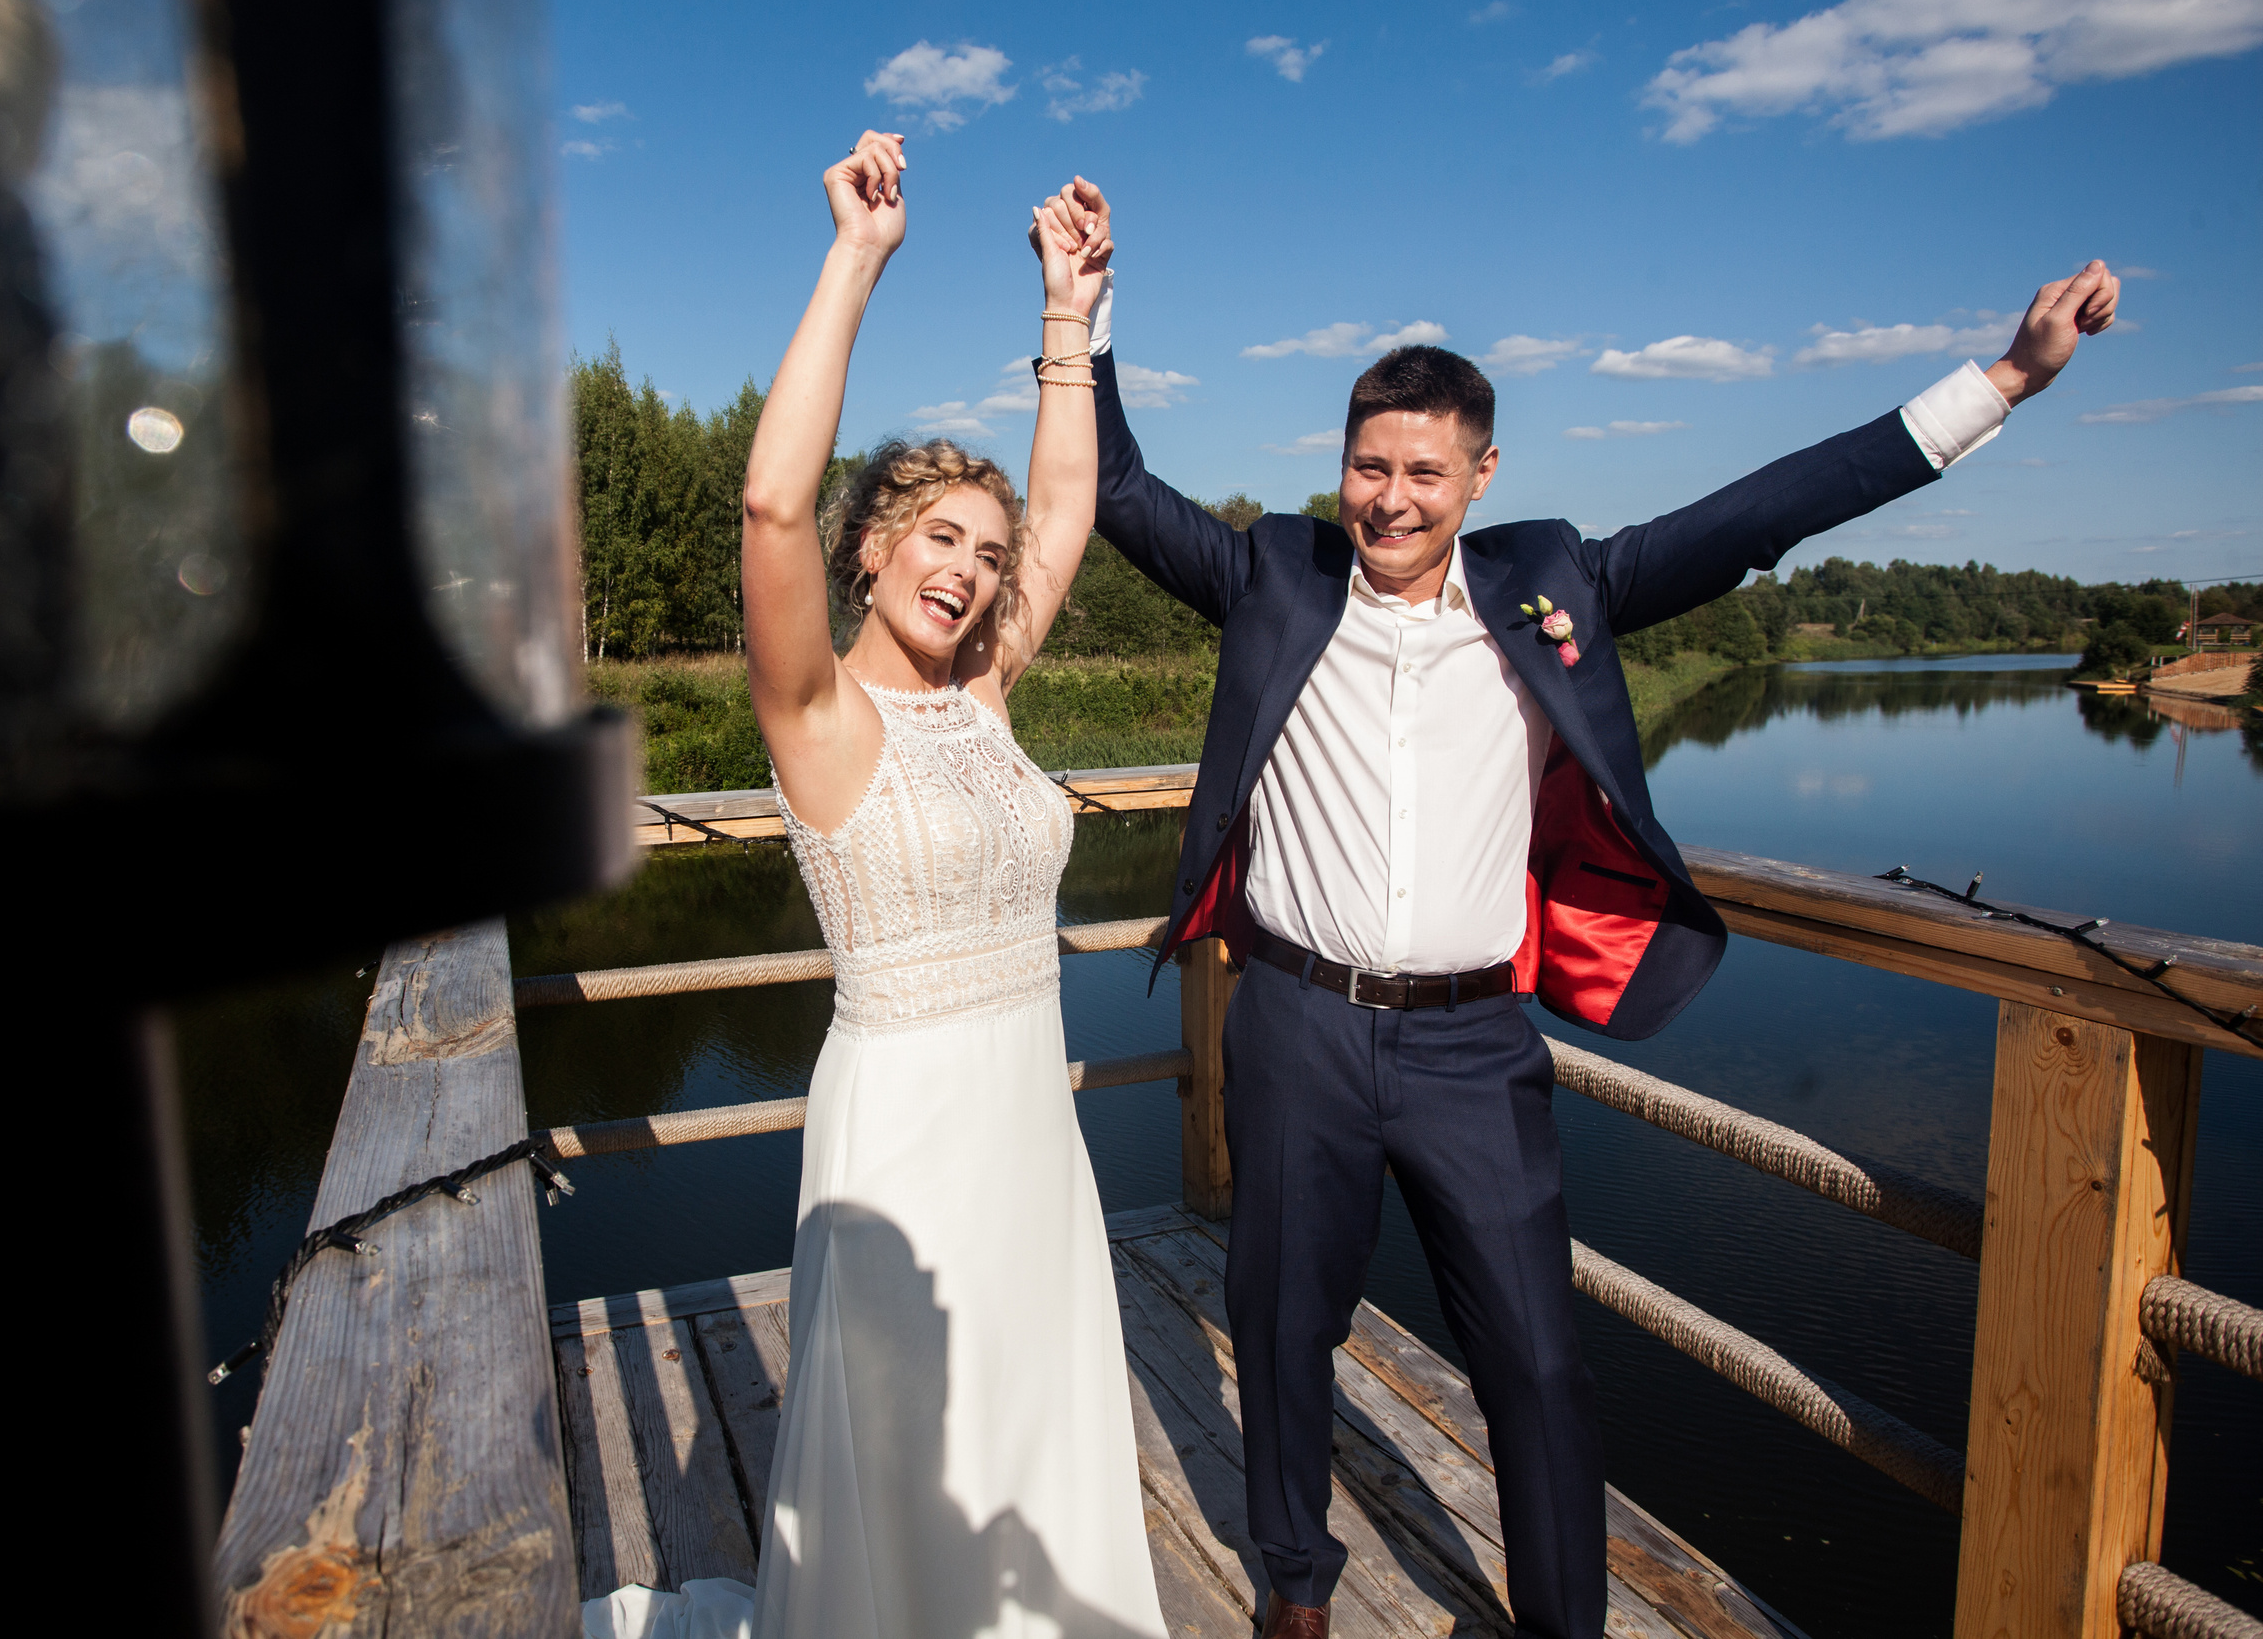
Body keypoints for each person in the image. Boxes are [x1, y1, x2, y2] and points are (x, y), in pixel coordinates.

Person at [1064, 171, 2116, 1639]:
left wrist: (2004, 378)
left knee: (1540, 1367)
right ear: (1340, 465)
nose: (1392, 500)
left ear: (1480, 476)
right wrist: (1083, 310)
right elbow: (1109, 489)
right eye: (1370, 467)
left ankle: (1563, 1621)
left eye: (1426, 473)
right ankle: (1294, 1588)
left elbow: (1774, 509)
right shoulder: (1271, 579)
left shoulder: (1557, 586)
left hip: (1472, 1049)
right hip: (1295, 1024)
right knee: (1281, 1334)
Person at [582, 133, 1164, 1639]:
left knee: (1029, 1408)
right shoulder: (820, 721)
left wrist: (1067, 316)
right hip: (903, 1139)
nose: (970, 569)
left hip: (1029, 1115)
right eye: (936, 539)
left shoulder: (988, 697)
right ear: (868, 555)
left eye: (985, 550)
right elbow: (770, 505)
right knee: (905, 1437)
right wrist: (858, 258)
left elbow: (1071, 503)